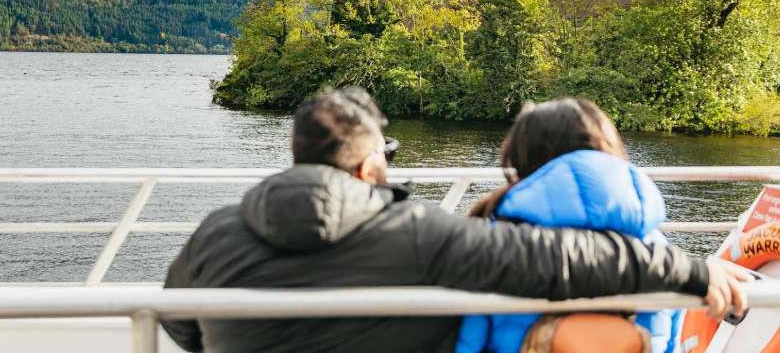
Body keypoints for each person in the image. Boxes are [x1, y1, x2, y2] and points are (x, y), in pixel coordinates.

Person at [161, 87, 750, 353]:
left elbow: (182, 327)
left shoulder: (213, 233)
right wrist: (691, 271)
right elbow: (556, 261)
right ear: (369, 168)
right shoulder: (413, 232)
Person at [455, 98, 678, 353]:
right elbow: (668, 342)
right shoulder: (661, 253)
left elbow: (467, 341)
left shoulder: (497, 240)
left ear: (521, 157)